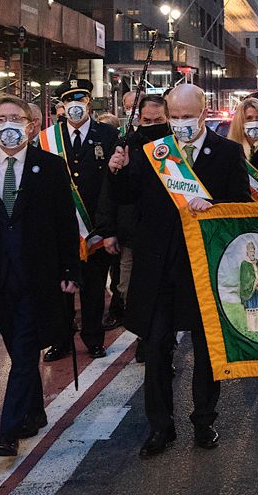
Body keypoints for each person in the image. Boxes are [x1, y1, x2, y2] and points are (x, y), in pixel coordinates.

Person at [107, 84, 249, 457]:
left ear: (204, 113)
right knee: (155, 349)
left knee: (206, 349)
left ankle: (204, 419)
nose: (181, 122)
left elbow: (240, 206)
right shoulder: (154, 153)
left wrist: (213, 204)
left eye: (188, 115)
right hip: (158, 268)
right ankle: (160, 426)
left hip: (204, 268)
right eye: (175, 116)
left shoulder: (227, 153)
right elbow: (127, 196)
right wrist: (117, 171)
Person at [0, 96, 79, 457]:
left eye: (15, 117)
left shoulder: (51, 166)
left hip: (36, 276)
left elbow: (64, 222)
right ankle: (35, 412)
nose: (6, 124)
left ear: (31, 125)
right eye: (0, 118)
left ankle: (8, 430)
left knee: (26, 352)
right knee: (17, 349)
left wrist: (70, 270)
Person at [39, 79, 119, 362]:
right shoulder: (47, 138)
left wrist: (109, 228)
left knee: (94, 290)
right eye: (69, 99)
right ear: (62, 105)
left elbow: (114, 184)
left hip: (96, 227)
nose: (75, 105)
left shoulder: (108, 134)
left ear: (89, 101)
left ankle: (94, 339)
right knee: (61, 289)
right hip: (62, 229)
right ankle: (60, 341)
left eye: (81, 98)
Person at [96, 95, 168, 339]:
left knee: (162, 292)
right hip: (130, 234)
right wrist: (108, 231)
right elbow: (109, 192)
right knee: (127, 288)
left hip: (162, 235)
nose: (152, 124)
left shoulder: (173, 146)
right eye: (147, 119)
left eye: (158, 119)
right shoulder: (126, 143)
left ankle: (155, 342)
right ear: (139, 118)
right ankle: (141, 333)